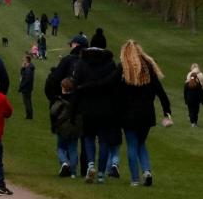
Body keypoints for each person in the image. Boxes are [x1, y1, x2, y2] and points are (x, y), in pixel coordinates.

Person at [115, 40, 172, 188]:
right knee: (141, 143)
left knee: (132, 145)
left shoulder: (123, 70)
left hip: (128, 114)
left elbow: (114, 92)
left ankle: (135, 179)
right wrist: (167, 111)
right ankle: (146, 171)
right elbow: (161, 93)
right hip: (146, 113)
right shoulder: (148, 69)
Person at [74, 33, 118, 184]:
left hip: (87, 106)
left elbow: (76, 85)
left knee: (88, 137)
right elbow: (114, 86)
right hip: (105, 107)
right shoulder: (110, 63)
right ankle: (100, 173)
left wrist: (75, 107)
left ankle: (90, 164)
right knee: (104, 140)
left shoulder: (82, 62)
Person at [50, 77, 81, 178]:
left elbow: (53, 112)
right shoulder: (77, 99)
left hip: (62, 127)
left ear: (63, 88)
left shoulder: (60, 99)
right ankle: (73, 172)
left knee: (61, 147)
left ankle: (64, 162)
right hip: (74, 127)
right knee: (73, 149)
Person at [18, 55, 35, 119]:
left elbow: (26, 79)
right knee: (27, 101)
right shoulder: (28, 67)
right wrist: (23, 68)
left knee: (27, 102)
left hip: (26, 88)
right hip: (27, 87)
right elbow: (22, 74)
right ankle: (29, 115)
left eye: (24, 60)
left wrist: (21, 86)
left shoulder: (28, 69)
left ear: (27, 60)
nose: (23, 61)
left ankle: (29, 116)